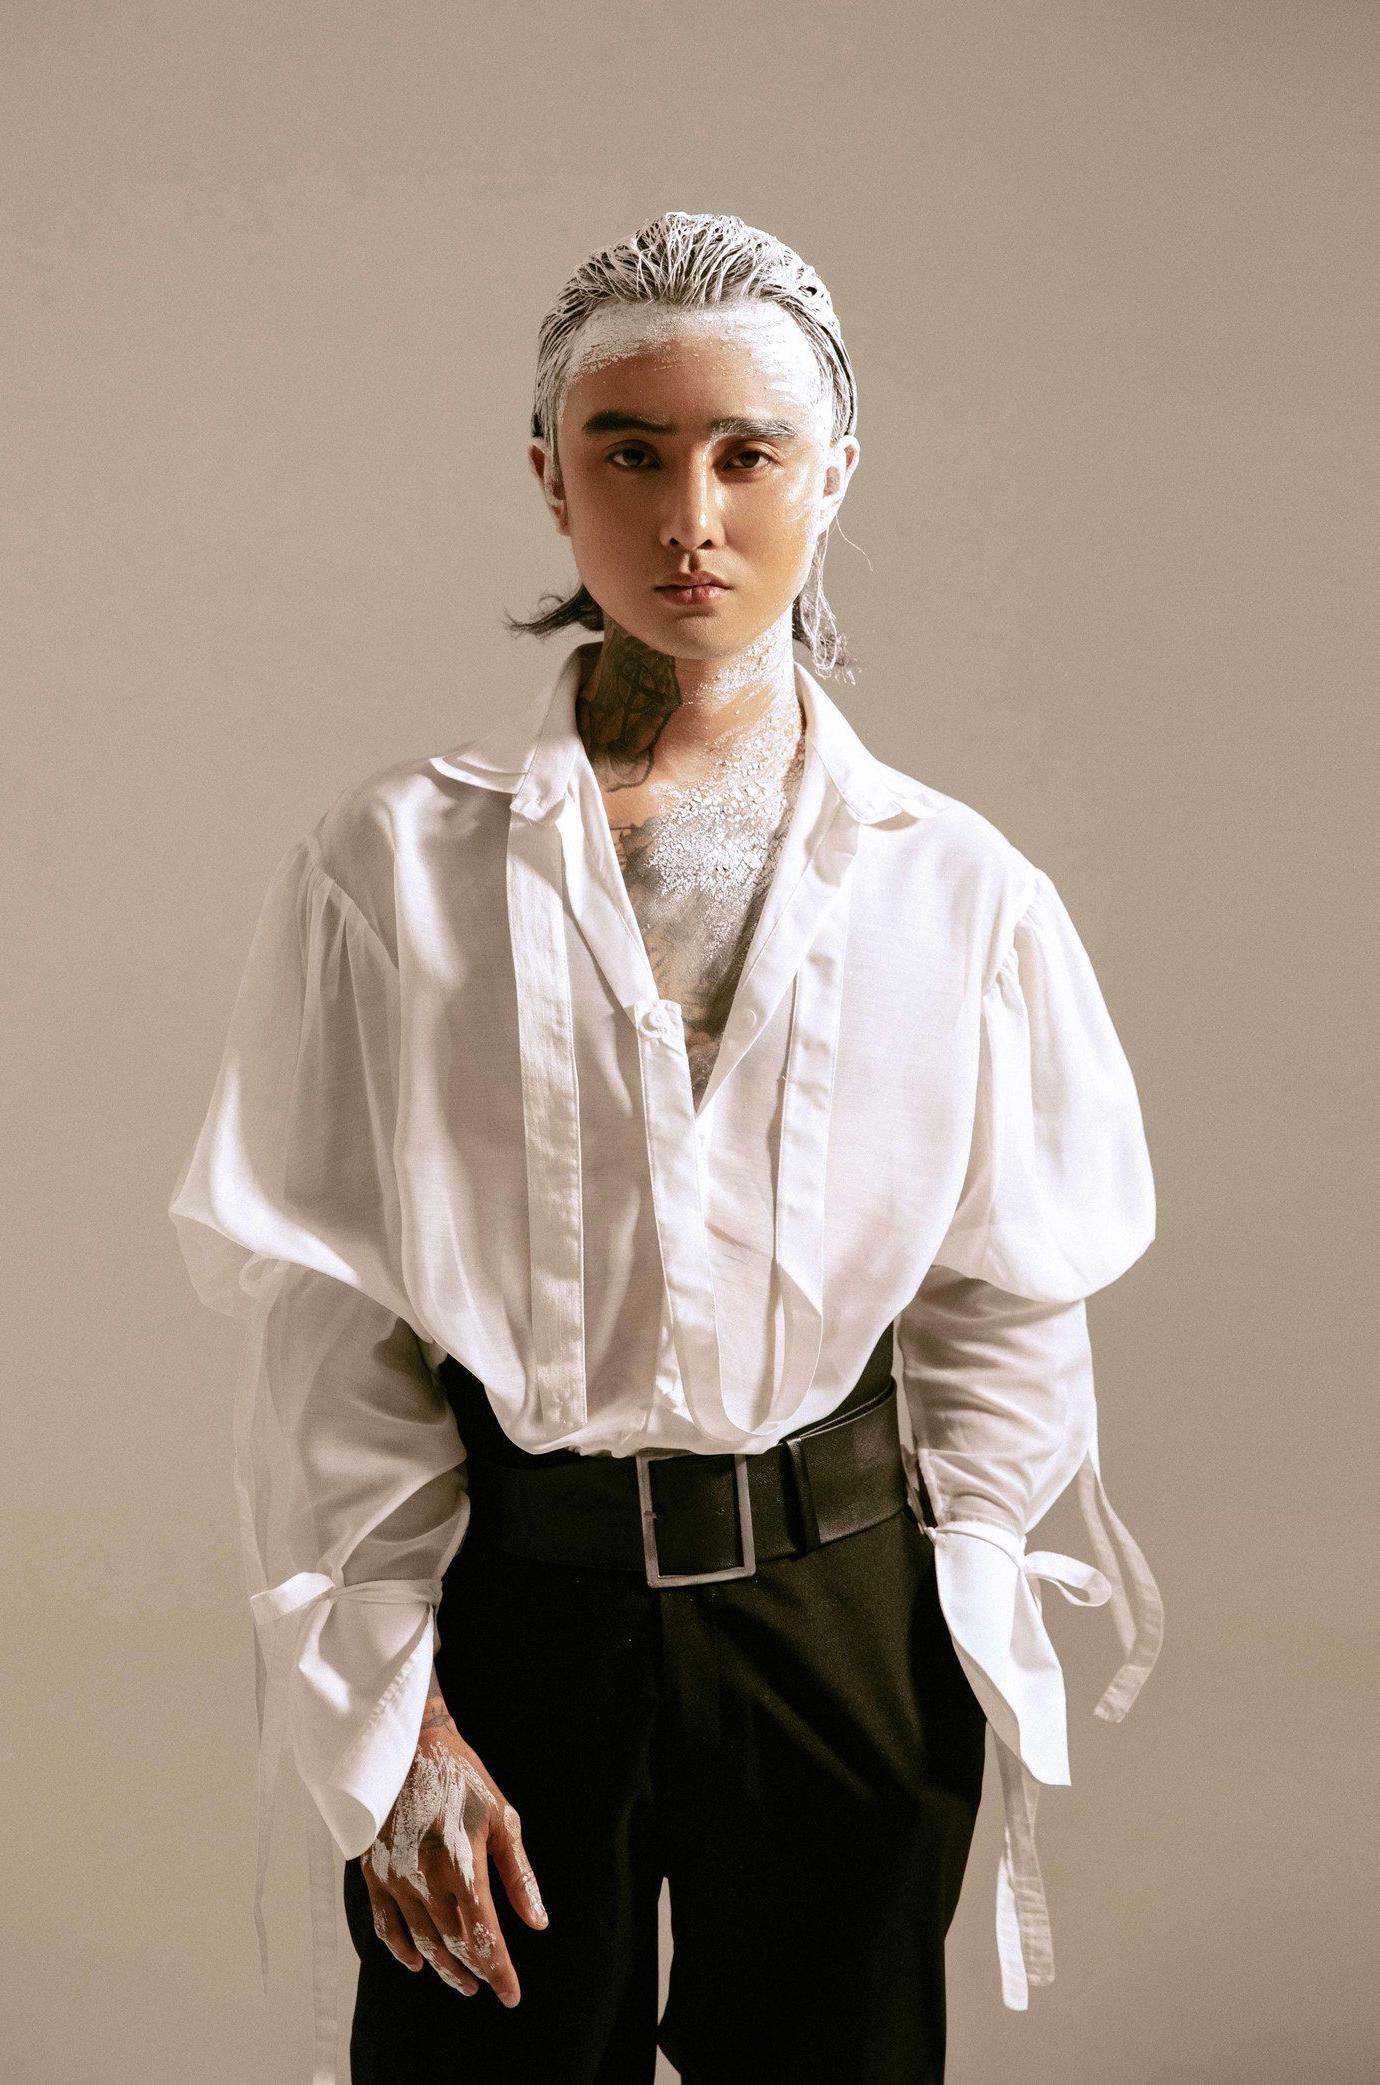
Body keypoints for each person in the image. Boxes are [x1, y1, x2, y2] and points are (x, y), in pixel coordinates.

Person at [170, 212, 1161, 2085]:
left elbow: (1004, 1295)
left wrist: (944, 1631)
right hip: (520, 1612)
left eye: (745, 453)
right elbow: (332, 1320)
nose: (687, 515)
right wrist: (396, 1721)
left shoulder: (959, 890)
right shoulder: (391, 865)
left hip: (843, 1617)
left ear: (832, 473)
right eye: (629, 451)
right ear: (550, 478)